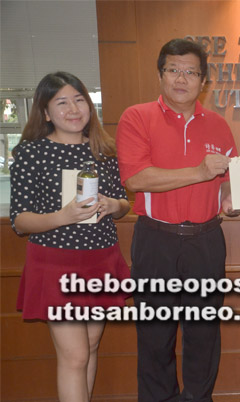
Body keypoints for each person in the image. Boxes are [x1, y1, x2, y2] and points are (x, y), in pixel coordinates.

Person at [116, 38, 237, 402]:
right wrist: (199, 172)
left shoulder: (218, 125)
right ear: (160, 75)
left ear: (204, 81)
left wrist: (234, 198)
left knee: (204, 335)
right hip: (157, 242)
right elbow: (136, 179)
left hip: (206, 241)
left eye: (191, 72)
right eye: (173, 70)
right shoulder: (136, 117)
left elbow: (228, 185)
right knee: (155, 335)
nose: (181, 79)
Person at [10, 71, 130, 402]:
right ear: (46, 112)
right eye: (62, 102)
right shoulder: (31, 154)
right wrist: (61, 217)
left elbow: (123, 204)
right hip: (55, 265)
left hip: (101, 259)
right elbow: (20, 220)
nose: (73, 108)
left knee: (90, 348)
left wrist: (112, 204)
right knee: (75, 356)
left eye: (79, 100)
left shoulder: (103, 150)